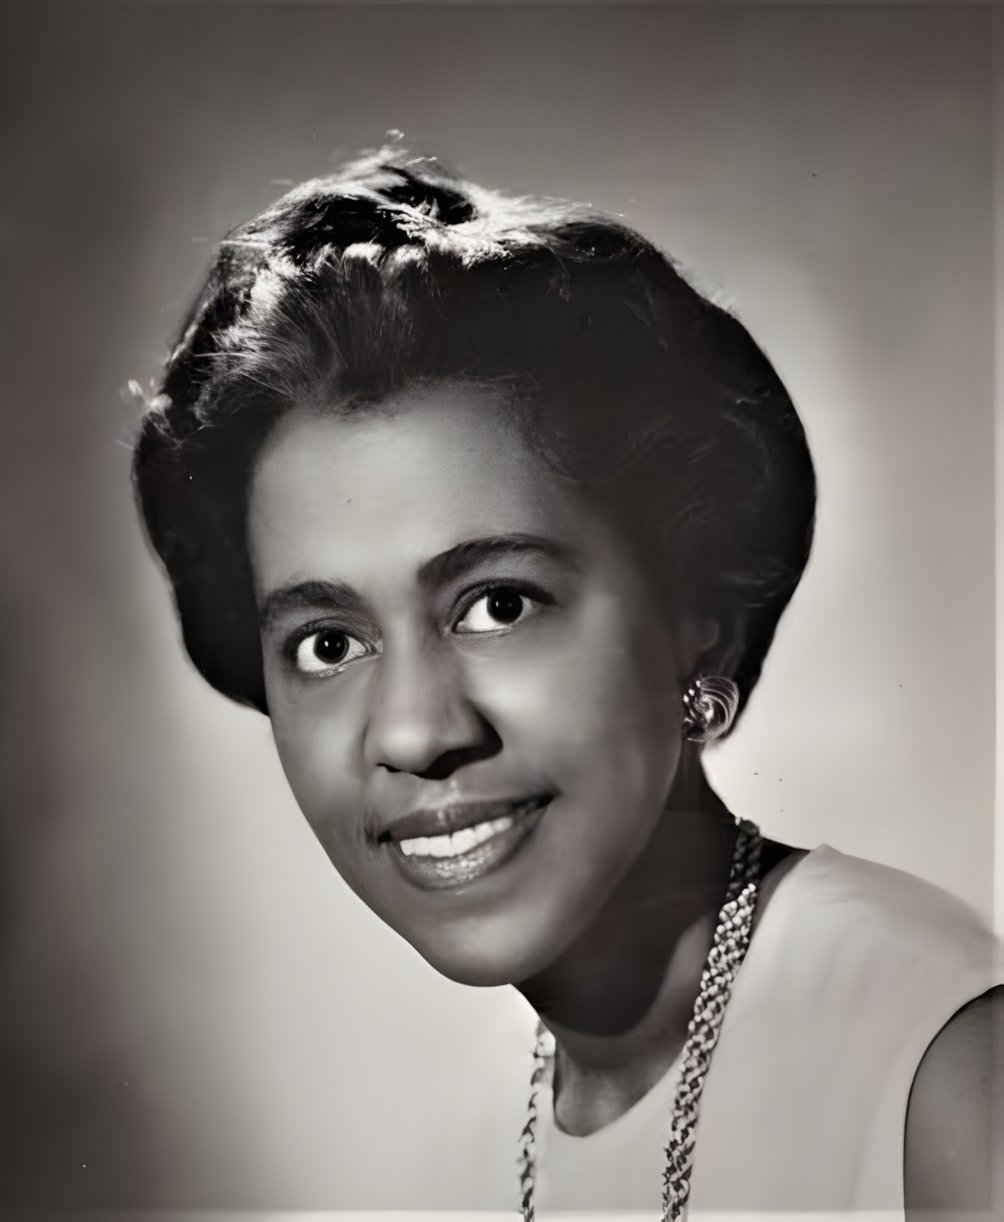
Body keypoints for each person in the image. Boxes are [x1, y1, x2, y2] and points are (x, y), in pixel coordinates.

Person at [131, 149, 1002, 1219]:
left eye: (498, 603)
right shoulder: (468, 1138)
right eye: (327, 644)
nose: (414, 731)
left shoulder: (941, 1067)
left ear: (694, 616)